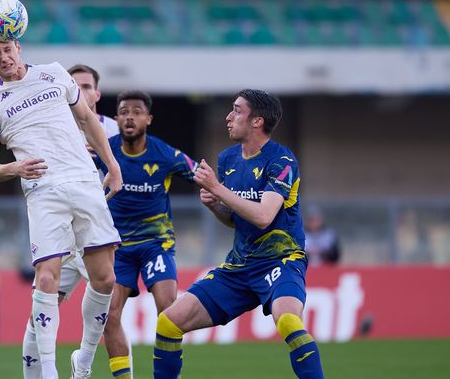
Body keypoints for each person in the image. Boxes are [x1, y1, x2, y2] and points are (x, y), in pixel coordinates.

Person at [0, 33, 122, 379]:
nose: (4, 58)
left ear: (18, 47)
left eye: (7, 50)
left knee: (105, 280)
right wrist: (15, 168)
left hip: (85, 182)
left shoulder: (55, 73)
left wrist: (113, 166)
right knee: (46, 280)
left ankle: (83, 364)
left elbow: (87, 120)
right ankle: (50, 373)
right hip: (43, 192)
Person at [153, 89, 325, 378]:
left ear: (257, 121)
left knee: (289, 323)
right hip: (240, 266)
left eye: (236, 110)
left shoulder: (282, 161)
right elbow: (237, 220)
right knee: (168, 323)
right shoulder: (228, 159)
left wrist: (218, 189)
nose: (228, 117)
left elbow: (262, 216)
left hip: (281, 261)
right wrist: (216, 206)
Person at [20, 63, 120, 379]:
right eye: (76, 85)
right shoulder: (53, 128)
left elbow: (132, 173)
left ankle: (85, 364)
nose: (82, 91)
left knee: (111, 310)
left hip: (98, 234)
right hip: (64, 239)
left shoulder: (115, 130)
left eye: (88, 86)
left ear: (97, 93)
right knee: (40, 316)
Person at [93, 90, 198, 379]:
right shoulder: (104, 149)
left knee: (169, 312)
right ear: (116, 118)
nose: (130, 117)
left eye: (137, 112)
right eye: (124, 111)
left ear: (148, 119)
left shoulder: (165, 154)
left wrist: (225, 198)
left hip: (156, 245)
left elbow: (202, 175)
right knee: (108, 316)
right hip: (117, 247)